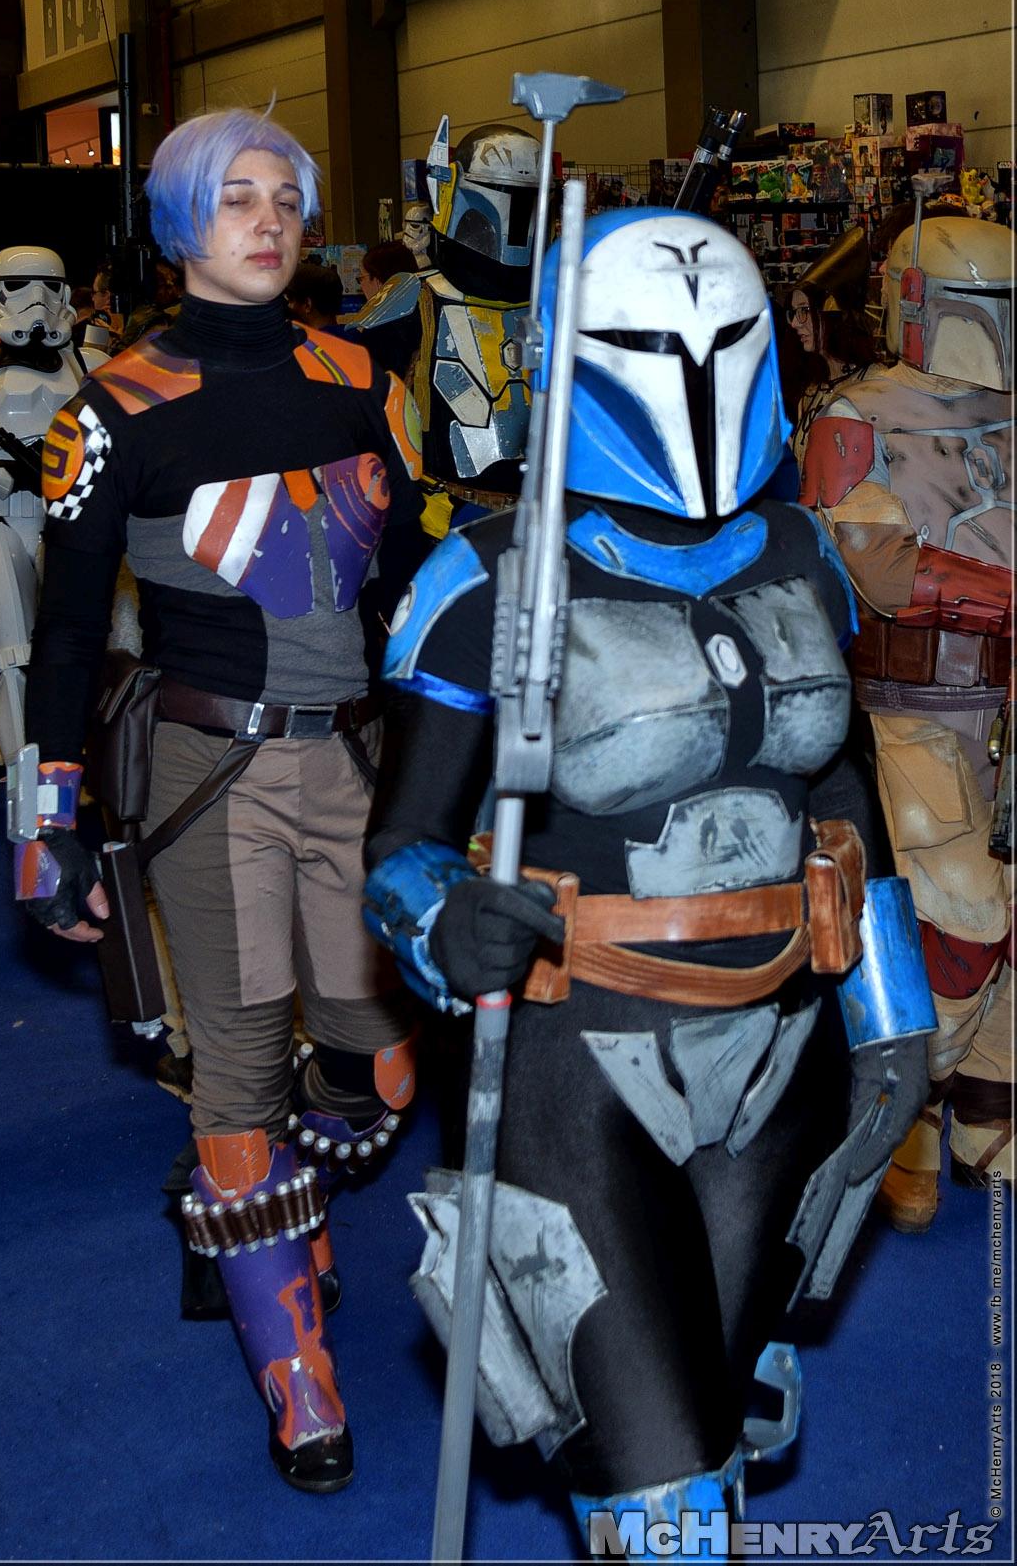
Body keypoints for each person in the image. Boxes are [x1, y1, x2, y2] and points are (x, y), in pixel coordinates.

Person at [362, 208, 933, 1553]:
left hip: (786, 1054)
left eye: (723, 341)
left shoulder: (801, 552)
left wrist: (893, 1013)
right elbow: (401, 846)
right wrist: (445, 917)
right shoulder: (487, 581)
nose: (692, 375)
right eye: (651, 345)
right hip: (584, 1059)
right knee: (662, 1500)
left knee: (718, 1435)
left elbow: (843, 793)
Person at [10, 108, 426, 1492]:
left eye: (286, 199)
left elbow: (410, 581)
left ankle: (247, 1207)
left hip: (362, 763)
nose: (267, 221)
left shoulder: (358, 376)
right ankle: (297, 1370)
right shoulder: (110, 412)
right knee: (239, 1061)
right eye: (236, 197)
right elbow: (67, 634)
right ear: (182, 224)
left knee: (377, 1060)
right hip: (216, 776)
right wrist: (48, 822)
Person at [802, 211, 1013, 1232]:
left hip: (1004, 702)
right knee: (959, 915)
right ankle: (901, 1116)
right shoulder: (856, 414)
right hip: (912, 709)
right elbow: (875, 564)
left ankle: (988, 1115)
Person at [0, 247, 108, 764]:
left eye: (48, 285)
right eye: (20, 285)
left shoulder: (89, 362)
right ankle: (23, 779)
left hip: (71, 523)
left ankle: (72, 765)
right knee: (11, 654)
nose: (37, 299)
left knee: (76, 651)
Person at [345, 113, 541, 540]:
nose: (514, 218)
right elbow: (356, 404)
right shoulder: (413, 297)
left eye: (527, 199)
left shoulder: (551, 302)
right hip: (438, 518)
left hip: (537, 518)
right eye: (506, 195)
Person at [777, 228, 880, 469]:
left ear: (832, 316)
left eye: (804, 311)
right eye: (794, 312)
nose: (794, 323)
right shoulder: (812, 391)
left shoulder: (875, 384)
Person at [118, 258, 183, 349]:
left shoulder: (178, 313)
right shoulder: (143, 314)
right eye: (163, 284)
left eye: (174, 283)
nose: (172, 290)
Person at [285, 261, 347, 336]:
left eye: (290, 300)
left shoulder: (305, 341)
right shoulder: (353, 335)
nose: (288, 306)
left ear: (307, 304)